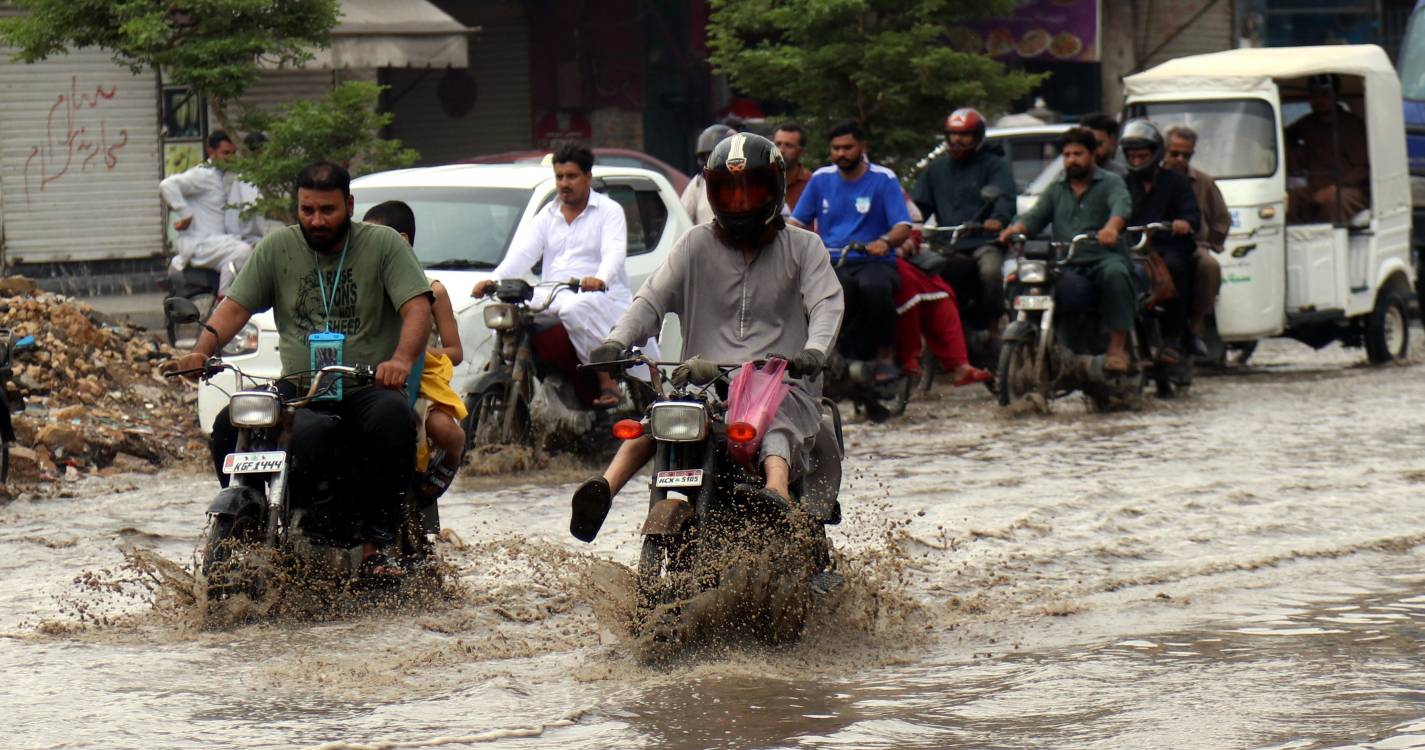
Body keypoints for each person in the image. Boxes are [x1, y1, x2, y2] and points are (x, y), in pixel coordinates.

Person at [567, 132, 844, 543]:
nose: (740, 202)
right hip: (703, 383)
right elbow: (650, 301)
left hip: (781, 383)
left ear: (775, 189)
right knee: (654, 421)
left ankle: (776, 494)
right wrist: (617, 341)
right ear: (713, 194)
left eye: (751, 191)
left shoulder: (805, 247)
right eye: (729, 193)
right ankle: (604, 488)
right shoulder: (694, 244)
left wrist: (814, 350)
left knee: (777, 425)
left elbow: (827, 305)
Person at [171, 161, 434, 577]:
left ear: (348, 205)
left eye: (327, 210)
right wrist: (201, 349)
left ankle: (375, 545)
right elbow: (236, 306)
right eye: (307, 210)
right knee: (227, 425)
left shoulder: (383, 245)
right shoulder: (277, 248)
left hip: (365, 384)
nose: (317, 220)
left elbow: (417, 307)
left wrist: (399, 361)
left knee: (394, 419)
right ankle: (251, 521)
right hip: (300, 387)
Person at [471, 143, 658, 407]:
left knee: (575, 308)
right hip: (553, 294)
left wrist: (600, 278)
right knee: (509, 314)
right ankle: (511, 376)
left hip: (600, 296)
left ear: (588, 177)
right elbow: (522, 255)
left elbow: (613, 254)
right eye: (559, 177)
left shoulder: (609, 211)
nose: (564, 183)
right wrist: (494, 279)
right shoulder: (547, 216)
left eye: (572, 176)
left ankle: (607, 381)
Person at [999, 128, 1136, 372]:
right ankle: (1032, 343)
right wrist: (1016, 228)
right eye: (1067, 154)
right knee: (1020, 281)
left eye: (1078, 154)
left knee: (1117, 275)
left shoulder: (1111, 182)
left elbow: (1120, 206)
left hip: (1103, 258)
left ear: (1093, 155)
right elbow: (1035, 216)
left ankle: (1117, 347)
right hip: (1066, 263)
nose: (1072, 159)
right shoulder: (1057, 188)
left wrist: (1111, 228)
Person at [789, 120, 910, 381]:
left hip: (874, 261)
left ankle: (886, 354)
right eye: (836, 148)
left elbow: (903, 225)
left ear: (862, 147)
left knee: (874, 289)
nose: (841, 154)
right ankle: (829, 356)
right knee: (830, 295)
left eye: (847, 147)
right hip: (833, 262)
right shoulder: (821, 179)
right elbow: (796, 223)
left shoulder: (883, 178)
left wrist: (885, 241)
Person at [362, 200, 466, 501]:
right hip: (372, 372)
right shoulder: (368, 284)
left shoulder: (433, 290)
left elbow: (455, 352)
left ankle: (454, 454)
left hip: (420, 377)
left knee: (441, 429)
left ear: (402, 240)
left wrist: (419, 352)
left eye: (375, 237)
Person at [910, 107, 1018, 338]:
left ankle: (993, 329)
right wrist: (907, 225)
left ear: (977, 136)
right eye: (952, 134)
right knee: (919, 272)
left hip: (983, 241)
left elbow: (1005, 199)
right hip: (948, 244)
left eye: (964, 134)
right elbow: (917, 208)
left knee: (990, 272)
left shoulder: (994, 165)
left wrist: (996, 220)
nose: (957, 140)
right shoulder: (935, 170)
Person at [1119, 119, 1201, 364]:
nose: (1136, 161)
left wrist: (1182, 223)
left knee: (1176, 268)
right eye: (1131, 156)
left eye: (1141, 156)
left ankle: (1173, 338)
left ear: (1154, 154)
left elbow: (1192, 215)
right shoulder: (1120, 184)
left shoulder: (1176, 182)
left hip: (1166, 248)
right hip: (1130, 248)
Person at [159, 130, 266, 292]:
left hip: (218, 242)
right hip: (201, 243)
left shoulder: (222, 177)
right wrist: (186, 215)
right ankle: (224, 300)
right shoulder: (203, 174)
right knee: (241, 252)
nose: (230, 157)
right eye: (225, 153)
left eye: (233, 153)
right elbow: (167, 185)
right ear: (211, 151)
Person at [1163, 125, 1231, 349]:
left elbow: (1221, 218)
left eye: (1186, 155)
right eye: (1175, 153)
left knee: (1209, 266)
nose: (1180, 159)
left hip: (1193, 244)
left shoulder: (1202, 182)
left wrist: (1210, 243)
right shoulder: (1152, 178)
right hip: (1155, 244)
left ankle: (1196, 326)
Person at [1285, 73, 1369, 224]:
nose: (1319, 100)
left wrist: (1336, 186)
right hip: (1316, 185)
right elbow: (1284, 136)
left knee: (1335, 202)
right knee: (1288, 200)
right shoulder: (1307, 123)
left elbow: (1363, 168)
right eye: (1314, 95)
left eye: (1324, 95)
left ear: (1335, 96)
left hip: (1349, 188)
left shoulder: (1352, 125)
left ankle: (1331, 244)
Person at [680, 124, 736, 224]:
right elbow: (682, 218)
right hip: (706, 238)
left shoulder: (743, 182)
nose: (711, 160)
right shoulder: (699, 184)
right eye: (707, 155)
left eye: (716, 155)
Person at [773, 122, 812, 214]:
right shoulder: (758, 180)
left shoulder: (811, 184)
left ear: (801, 152)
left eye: (788, 146)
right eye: (778, 144)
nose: (781, 151)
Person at [1081, 113, 1128, 177]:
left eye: (1097, 144)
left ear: (1112, 140)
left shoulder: (1122, 175)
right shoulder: (1068, 175)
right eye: (1086, 144)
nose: (1092, 150)